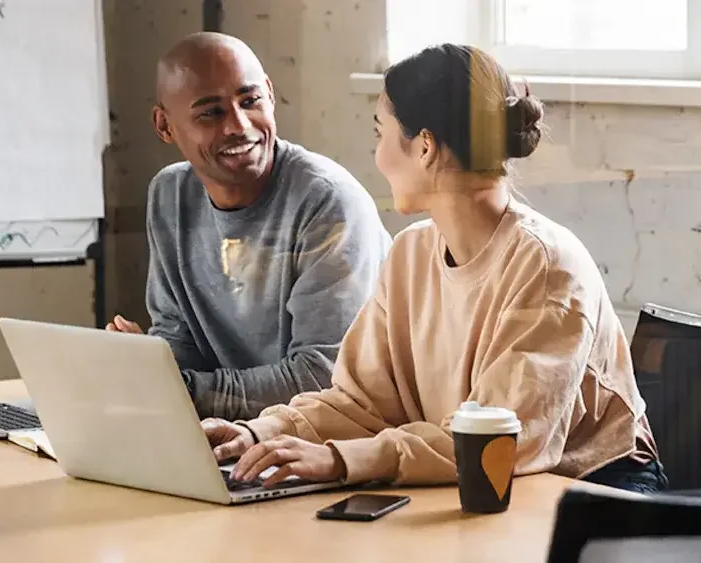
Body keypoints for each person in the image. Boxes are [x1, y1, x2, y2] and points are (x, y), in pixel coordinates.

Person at [202, 44, 667, 493]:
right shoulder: (410, 254)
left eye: (380, 133)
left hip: (597, 491)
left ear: (424, 147)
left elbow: (499, 441)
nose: (378, 155)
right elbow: (360, 403)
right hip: (482, 485)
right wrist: (261, 433)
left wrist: (342, 460)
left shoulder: (547, 265)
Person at [107, 32, 392, 421]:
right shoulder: (169, 195)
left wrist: (177, 388)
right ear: (164, 125)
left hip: (330, 440)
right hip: (236, 435)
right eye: (211, 112)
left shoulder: (327, 201)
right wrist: (145, 368)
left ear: (271, 96)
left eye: (250, 101)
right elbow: (178, 338)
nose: (238, 126)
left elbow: (323, 378)